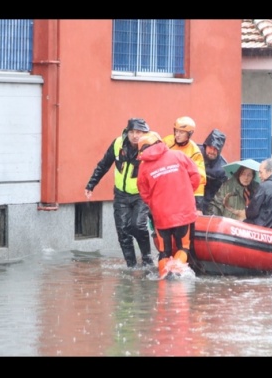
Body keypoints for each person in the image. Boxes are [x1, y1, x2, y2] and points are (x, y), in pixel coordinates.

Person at [84, 118, 153, 268]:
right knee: (123, 231)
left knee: (138, 226)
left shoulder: (150, 147)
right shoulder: (118, 144)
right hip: (121, 195)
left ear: (145, 134)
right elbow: (104, 165)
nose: (135, 136)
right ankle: (131, 265)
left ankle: (147, 260)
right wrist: (91, 184)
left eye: (139, 132)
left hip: (141, 195)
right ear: (127, 133)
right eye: (132, 132)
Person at [136, 131, 201, 279]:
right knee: (183, 247)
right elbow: (196, 176)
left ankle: (164, 279)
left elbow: (144, 193)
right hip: (184, 213)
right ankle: (177, 272)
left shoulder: (143, 167)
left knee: (164, 252)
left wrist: (157, 204)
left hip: (161, 216)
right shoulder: (178, 156)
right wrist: (186, 193)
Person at [163, 116, 206, 216]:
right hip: (165, 191)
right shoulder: (166, 142)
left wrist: (198, 207)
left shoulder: (194, 152)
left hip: (181, 195)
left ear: (189, 134)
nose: (177, 135)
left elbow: (200, 179)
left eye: (181, 132)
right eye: (176, 131)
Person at [244, 158, 272, 230]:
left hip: (265, 230)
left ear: (269, 171)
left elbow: (251, 212)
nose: (259, 176)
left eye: (261, 172)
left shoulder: (264, 186)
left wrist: (247, 208)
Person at [197, 129, 228, 214]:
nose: (212, 151)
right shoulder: (195, 152)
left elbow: (219, 194)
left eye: (216, 149)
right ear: (206, 145)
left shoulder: (222, 168)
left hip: (207, 203)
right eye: (210, 147)